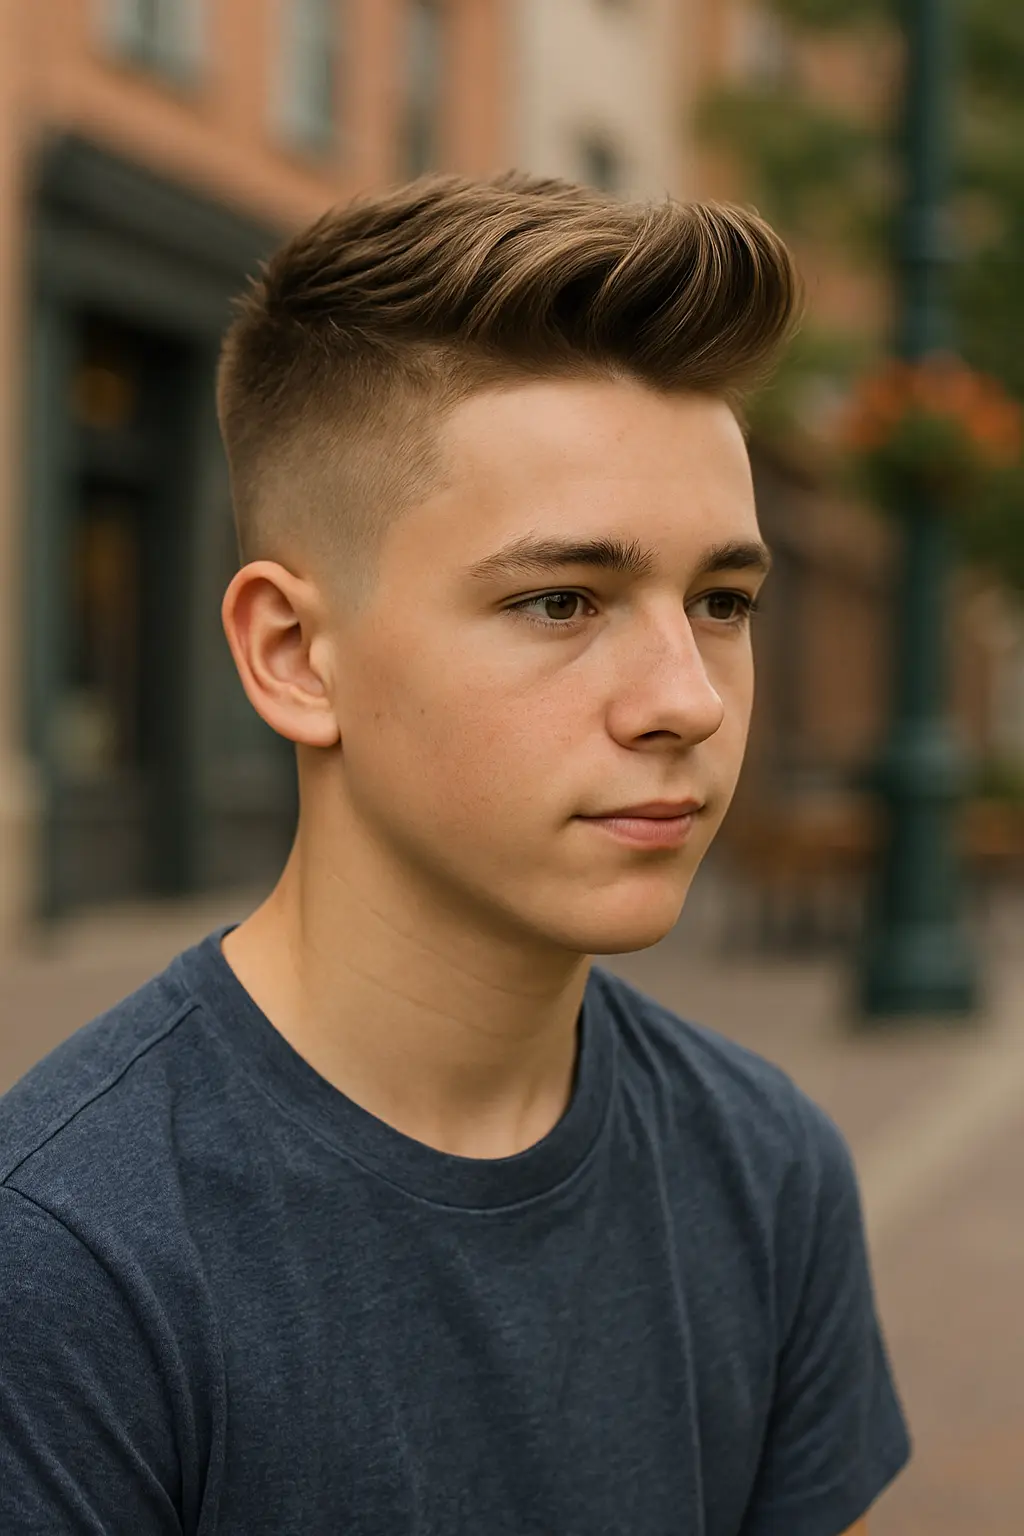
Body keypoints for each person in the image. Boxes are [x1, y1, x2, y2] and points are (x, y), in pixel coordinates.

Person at [0, 172, 910, 1535]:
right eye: (561, 600)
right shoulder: (67, 1257)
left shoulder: (769, 1169)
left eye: (723, 600)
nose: (689, 696)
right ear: (296, 657)